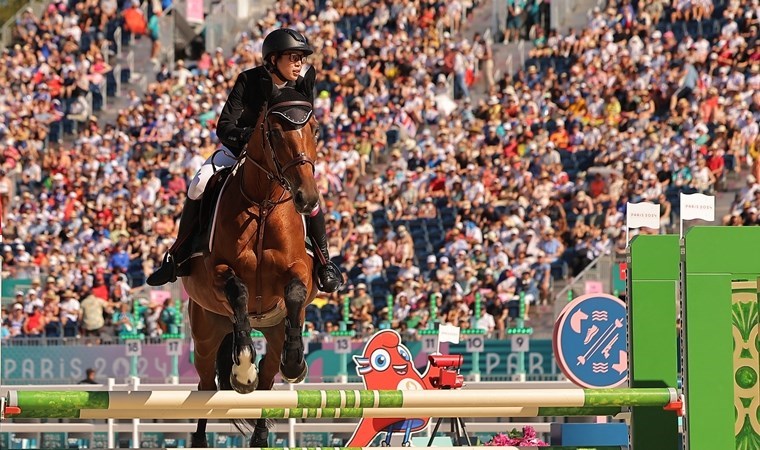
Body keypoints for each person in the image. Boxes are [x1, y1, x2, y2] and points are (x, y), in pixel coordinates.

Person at [146, 28, 343, 292]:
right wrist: (253, 142)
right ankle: (178, 255)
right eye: (293, 57)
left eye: (301, 59)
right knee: (199, 183)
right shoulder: (248, 80)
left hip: (283, 160)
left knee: (311, 194)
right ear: (273, 59)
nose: (299, 64)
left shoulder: (301, 88)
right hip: (239, 150)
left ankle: (324, 262)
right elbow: (225, 126)